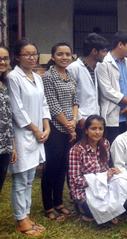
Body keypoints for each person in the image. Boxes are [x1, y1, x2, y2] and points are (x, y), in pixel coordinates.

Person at [69, 115, 127, 224]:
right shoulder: (76, 150)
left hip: (104, 183)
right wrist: (100, 179)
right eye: (93, 128)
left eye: (100, 129)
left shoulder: (105, 143)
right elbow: (75, 180)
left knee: (123, 183)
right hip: (85, 189)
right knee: (101, 212)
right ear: (86, 130)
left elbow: (105, 168)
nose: (97, 132)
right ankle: (82, 208)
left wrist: (111, 172)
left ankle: (112, 211)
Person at [8, 38, 50, 235]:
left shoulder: (37, 77)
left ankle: (26, 215)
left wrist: (46, 127)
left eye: (34, 53)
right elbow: (17, 109)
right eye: (27, 54)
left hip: (38, 133)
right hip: (23, 133)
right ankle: (20, 220)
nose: (32, 57)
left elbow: (43, 104)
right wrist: (35, 129)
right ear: (17, 57)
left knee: (30, 176)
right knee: (21, 177)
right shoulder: (13, 78)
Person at [41, 42, 78, 220]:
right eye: (60, 54)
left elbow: (75, 99)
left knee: (64, 166)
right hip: (56, 128)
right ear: (53, 56)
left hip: (70, 126)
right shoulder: (48, 77)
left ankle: (59, 202)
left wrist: (74, 121)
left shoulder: (70, 75)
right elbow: (52, 105)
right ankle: (48, 207)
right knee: (52, 167)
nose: (64, 58)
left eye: (68, 54)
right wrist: (67, 124)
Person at [96, 31, 127, 147]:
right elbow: (107, 90)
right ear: (120, 45)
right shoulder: (104, 63)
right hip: (113, 114)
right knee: (112, 148)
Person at [67, 33, 109, 141]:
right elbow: (69, 96)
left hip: (94, 120)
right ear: (94, 51)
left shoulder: (96, 67)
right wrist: (79, 117)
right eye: (104, 51)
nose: (105, 54)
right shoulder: (74, 68)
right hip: (80, 120)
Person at [0, 44, 17, 193]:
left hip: (4, 145)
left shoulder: (4, 84)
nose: (2, 62)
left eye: (5, 58)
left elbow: (8, 117)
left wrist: (12, 145)